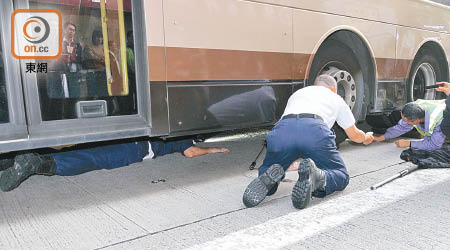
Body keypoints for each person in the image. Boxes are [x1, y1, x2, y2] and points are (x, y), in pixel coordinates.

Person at [242, 75, 374, 209]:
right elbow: (354, 135)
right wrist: (366, 137)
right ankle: (319, 177)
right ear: (333, 88)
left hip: (282, 131)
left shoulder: (298, 94)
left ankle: (269, 179)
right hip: (314, 132)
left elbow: (292, 123)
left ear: (315, 84)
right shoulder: (336, 98)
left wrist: (290, 156)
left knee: (271, 166)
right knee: (340, 174)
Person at [0, 139, 229, 192]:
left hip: (130, 133)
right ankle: (38, 164)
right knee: (93, 159)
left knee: (80, 148)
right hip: (138, 148)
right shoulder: (184, 135)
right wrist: (213, 149)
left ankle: (12, 159)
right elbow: (191, 152)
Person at [373, 99, 446, 150]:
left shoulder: (438, 121)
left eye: (405, 120)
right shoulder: (416, 108)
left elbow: (435, 145)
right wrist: (382, 137)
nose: (404, 122)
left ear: (416, 120)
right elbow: (402, 127)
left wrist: (409, 144)